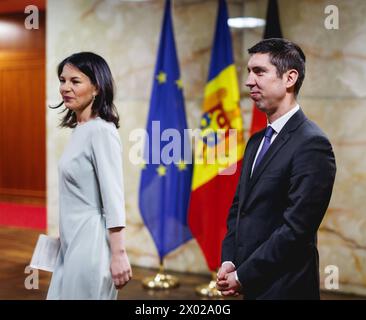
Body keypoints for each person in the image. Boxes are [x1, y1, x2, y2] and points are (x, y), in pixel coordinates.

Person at [217, 38, 336, 300]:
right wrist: (229, 261)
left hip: (286, 288)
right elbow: (240, 208)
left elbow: (296, 229)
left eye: (259, 71)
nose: (249, 81)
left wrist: (244, 275)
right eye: (249, 72)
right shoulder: (256, 141)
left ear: (289, 78)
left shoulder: (313, 144)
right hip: (250, 286)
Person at [47, 52, 132, 299]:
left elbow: (113, 199)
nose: (65, 88)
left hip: (91, 244)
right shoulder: (80, 130)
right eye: (62, 80)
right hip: (71, 242)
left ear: (96, 87)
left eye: (75, 81)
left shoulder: (101, 132)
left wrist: (119, 254)